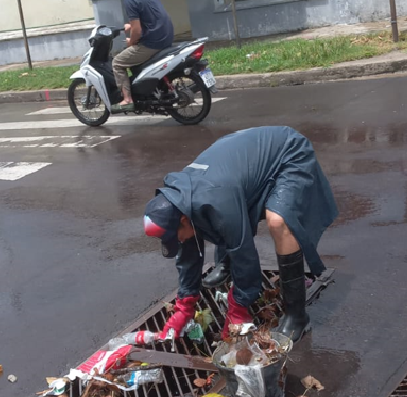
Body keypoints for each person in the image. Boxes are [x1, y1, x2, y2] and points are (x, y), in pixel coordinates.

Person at [144, 126, 339, 342]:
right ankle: (226, 265)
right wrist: (185, 304)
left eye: (176, 236)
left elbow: (243, 250)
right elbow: (189, 252)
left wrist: (238, 306)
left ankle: (297, 317)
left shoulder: (216, 198)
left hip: (288, 152)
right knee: (222, 217)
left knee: (278, 221)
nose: (178, 241)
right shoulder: (177, 199)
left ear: (182, 220)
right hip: (243, 161)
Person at [111, 0, 174, 112]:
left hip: (153, 43)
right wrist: (131, 25)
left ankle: (127, 100)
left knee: (117, 62)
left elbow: (137, 30)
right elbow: (151, 17)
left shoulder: (130, 2)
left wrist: (131, 42)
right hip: (166, 38)